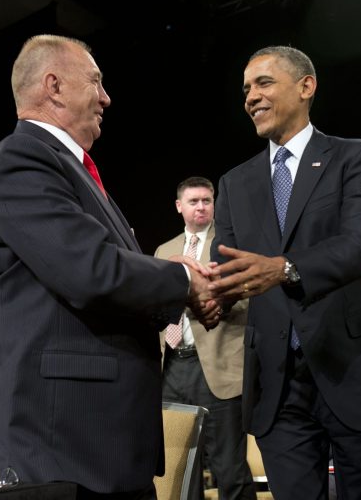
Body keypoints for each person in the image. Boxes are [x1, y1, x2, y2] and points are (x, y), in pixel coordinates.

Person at [0, 35, 215, 500]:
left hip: (94, 444)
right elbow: (90, 271)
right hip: (55, 445)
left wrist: (176, 289)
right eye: (96, 81)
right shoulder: (24, 159)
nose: (106, 97)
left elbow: (99, 271)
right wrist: (182, 280)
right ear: (53, 86)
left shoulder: (72, 169)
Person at [203, 45, 361, 500]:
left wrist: (285, 268)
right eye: (245, 89)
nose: (250, 97)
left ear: (306, 86)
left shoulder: (354, 157)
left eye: (263, 83)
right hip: (278, 383)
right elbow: (230, 269)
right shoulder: (234, 183)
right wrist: (209, 292)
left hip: (355, 370)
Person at [154, 176, 255, 500]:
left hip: (216, 366)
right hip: (171, 366)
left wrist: (213, 299)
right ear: (178, 206)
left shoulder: (228, 246)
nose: (201, 206)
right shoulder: (165, 250)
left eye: (206, 200)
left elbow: (249, 297)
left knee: (229, 469)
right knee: (181, 467)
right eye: (194, 201)